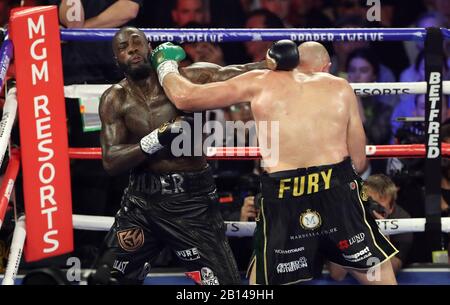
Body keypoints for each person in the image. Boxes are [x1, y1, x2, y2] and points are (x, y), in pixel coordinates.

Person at [152, 40, 399, 285]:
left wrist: (166, 65)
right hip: (338, 187)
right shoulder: (341, 87)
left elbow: (185, 98)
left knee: (263, 281)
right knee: (379, 276)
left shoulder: (261, 81)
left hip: (286, 192)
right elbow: (359, 159)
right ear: (327, 66)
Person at [92, 26, 267, 285]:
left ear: (150, 48)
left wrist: (274, 60)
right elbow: (111, 160)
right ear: (117, 59)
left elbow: (237, 72)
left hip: (192, 202)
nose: (131, 48)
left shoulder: (191, 78)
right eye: (123, 47)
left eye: (137, 42)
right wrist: (157, 138)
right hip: (141, 202)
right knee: (107, 279)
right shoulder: (115, 99)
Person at [329, 174, 413, 281]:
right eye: (368, 204)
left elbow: (392, 270)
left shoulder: (401, 221)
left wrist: (382, 233)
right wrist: (353, 226)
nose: (372, 210)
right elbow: (337, 275)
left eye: (379, 207)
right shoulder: (348, 216)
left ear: (391, 208)